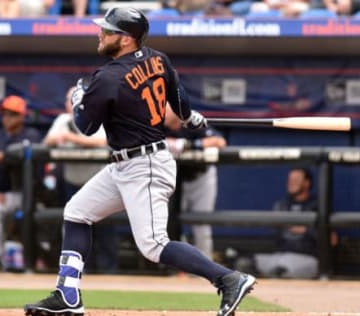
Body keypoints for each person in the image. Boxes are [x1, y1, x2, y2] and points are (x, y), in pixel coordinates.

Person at [24, 7, 255, 316]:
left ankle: (228, 279)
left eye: (107, 31)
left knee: (154, 245)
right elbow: (180, 102)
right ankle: (68, 294)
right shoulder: (158, 59)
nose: (100, 34)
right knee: (77, 213)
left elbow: (86, 126)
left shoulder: (107, 77)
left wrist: (80, 99)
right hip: (127, 163)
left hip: (143, 164)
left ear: (126, 39)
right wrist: (191, 117)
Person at [43, 86, 119, 273]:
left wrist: (70, 138)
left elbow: (102, 142)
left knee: (104, 231)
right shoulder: (63, 120)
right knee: (78, 228)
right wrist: (61, 136)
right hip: (72, 181)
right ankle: (83, 272)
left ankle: (110, 274)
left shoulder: (97, 118)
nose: (72, 105)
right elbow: (47, 142)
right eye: (69, 101)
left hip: (99, 182)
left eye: (75, 100)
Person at [0, 95, 41, 271]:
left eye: (12, 114)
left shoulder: (31, 135)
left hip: (26, 195)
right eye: (4, 114)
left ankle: (35, 261)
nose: (7, 118)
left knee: (37, 217)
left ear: (21, 116)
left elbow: (20, 153)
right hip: (1, 194)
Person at [164, 105, 227, 260]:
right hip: (173, 180)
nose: (162, 112)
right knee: (169, 223)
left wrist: (189, 145)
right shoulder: (155, 123)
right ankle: (176, 267)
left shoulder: (191, 120)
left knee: (201, 225)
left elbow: (220, 141)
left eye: (165, 108)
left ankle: (206, 266)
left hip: (200, 177)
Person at [237, 167, 319, 279]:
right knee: (244, 264)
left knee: (280, 272)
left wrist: (306, 230)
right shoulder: (282, 205)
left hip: (305, 258)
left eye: (296, 180)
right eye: (290, 180)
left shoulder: (318, 205)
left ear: (306, 183)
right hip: (279, 256)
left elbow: (332, 240)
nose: (291, 183)